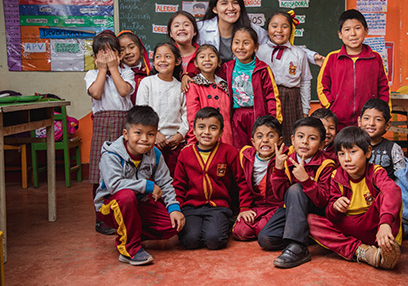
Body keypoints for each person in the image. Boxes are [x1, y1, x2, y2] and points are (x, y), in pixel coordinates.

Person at [94, 105, 185, 266]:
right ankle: (130, 248)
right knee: (126, 195)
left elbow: (165, 182)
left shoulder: (155, 154)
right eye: (138, 133)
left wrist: (174, 208)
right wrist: (148, 186)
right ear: (126, 134)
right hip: (110, 205)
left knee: (172, 226)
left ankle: (131, 232)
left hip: (139, 203)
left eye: (150, 134)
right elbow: (115, 185)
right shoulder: (111, 155)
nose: (144, 139)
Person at [307, 126, 403, 269]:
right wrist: (335, 207)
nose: (347, 159)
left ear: (368, 152)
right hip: (348, 231)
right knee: (310, 221)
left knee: (390, 193)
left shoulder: (376, 173)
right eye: (341, 154)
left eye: (353, 152)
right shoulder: (336, 176)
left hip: (377, 231)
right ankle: (362, 252)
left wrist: (385, 223)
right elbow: (331, 216)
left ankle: (384, 249)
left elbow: (392, 191)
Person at [258, 117, 336, 269]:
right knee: (266, 239)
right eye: (300, 137)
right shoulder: (286, 160)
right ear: (293, 140)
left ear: (321, 144)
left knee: (296, 189)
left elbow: (323, 200)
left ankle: (298, 246)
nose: (305, 142)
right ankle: (303, 234)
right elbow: (280, 197)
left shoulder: (327, 165)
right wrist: (279, 169)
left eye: (312, 138)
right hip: (292, 211)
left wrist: (306, 181)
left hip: (315, 211)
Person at [173, 107, 253, 250]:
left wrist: (244, 207)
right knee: (190, 241)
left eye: (213, 128)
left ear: (221, 132)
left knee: (214, 241)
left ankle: (223, 223)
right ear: (194, 129)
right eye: (201, 127)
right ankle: (202, 228)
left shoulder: (229, 152)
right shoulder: (185, 154)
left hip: (219, 207)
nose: (206, 132)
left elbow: (241, 181)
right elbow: (178, 185)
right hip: (191, 208)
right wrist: (177, 208)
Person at [84, 30, 135, 235]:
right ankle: (101, 216)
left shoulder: (126, 72)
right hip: (103, 123)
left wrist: (114, 68)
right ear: (95, 58)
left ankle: (123, 211)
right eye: (101, 53)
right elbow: (95, 93)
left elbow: (124, 91)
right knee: (100, 171)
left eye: (110, 53)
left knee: (125, 167)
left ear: (120, 55)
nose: (106, 57)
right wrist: (103, 70)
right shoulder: (90, 75)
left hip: (124, 123)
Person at [197, 0, 323, 65]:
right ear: (214, 8)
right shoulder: (200, 29)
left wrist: (312, 56)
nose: (231, 8)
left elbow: (281, 46)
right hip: (210, 89)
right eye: (224, 3)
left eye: (235, 3)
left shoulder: (251, 30)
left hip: (241, 91)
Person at [358, 98, 408, 237]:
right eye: (367, 118)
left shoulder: (393, 148)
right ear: (359, 122)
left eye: (378, 119)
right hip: (362, 193)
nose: (371, 123)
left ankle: (397, 229)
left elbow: (403, 180)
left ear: (387, 125)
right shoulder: (355, 146)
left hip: (385, 194)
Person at [317, 9, 390, 130]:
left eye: (357, 28)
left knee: (365, 148)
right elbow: (322, 86)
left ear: (366, 31)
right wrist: (331, 106)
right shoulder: (332, 58)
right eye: (347, 29)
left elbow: (383, 87)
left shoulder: (375, 58)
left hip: (367, 122)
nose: (353, 34)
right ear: (340, 34)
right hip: (338, 120)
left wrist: (382, 111)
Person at [219, 26, 282, 149]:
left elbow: (272, 96)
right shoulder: (226, 68)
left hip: (258, 115)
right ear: (231, 45)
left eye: (246, 43)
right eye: (236, 43)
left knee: (260, 148)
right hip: (236, 116)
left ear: (256, 47)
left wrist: (273, 120)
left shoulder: (263, 69)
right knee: (239, 148)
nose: (241, 47)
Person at [256, 10, 312, 146]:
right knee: (267, 135)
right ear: (267, 29)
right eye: (274, 26)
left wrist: (305, 109)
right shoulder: (259, 51)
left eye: (284, 26)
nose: (279, 30)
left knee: (290, 137)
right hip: (266, 97)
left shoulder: (299, 53)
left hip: (291, 99)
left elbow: (305, 81)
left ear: (291, 30)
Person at [136, 42, 188, 176]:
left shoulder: (180, 87)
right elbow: (142, 112)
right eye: (158, 57)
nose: (162, 60)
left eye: (167, 57)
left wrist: (180, 135)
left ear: (177, 61)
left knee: (174, 178)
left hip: (175, 144)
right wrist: (155, 133)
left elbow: (186, 115)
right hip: (152, 141)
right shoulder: (147, 83)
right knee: (152, 177)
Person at [233, 115, 285, 241]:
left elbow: (283, 193)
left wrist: (279, 168)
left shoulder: (286, 158)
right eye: (260, 136)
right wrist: (244, 208)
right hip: (256, 207)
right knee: (240, 231)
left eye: (271, 136)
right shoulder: (245, 157)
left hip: (277, 208)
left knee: (263, 228)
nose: (265, 140)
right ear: (253, 142)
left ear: (279, 141)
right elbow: (243, 184)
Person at [186, 44, 232, 144]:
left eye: (212, 56)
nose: (207, 59)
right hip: (204, 137)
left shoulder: (224, 85)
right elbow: (192, 116)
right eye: (202, 57)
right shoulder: (194, 85)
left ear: (219, 61)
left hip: (226, 136)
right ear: (196, 63)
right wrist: (193, 141)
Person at [166, 11, 200, 92]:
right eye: (176, 25)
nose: (181, 28)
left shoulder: (204, 54)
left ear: (194, 31)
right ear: (170, 33)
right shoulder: (165, 55)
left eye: (186, 25)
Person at [117, 30, 152, 104]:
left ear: (141, 49)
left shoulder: (149, 73)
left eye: (131, 47)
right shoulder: (116, 75)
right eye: (122, 50)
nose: (127, 52)